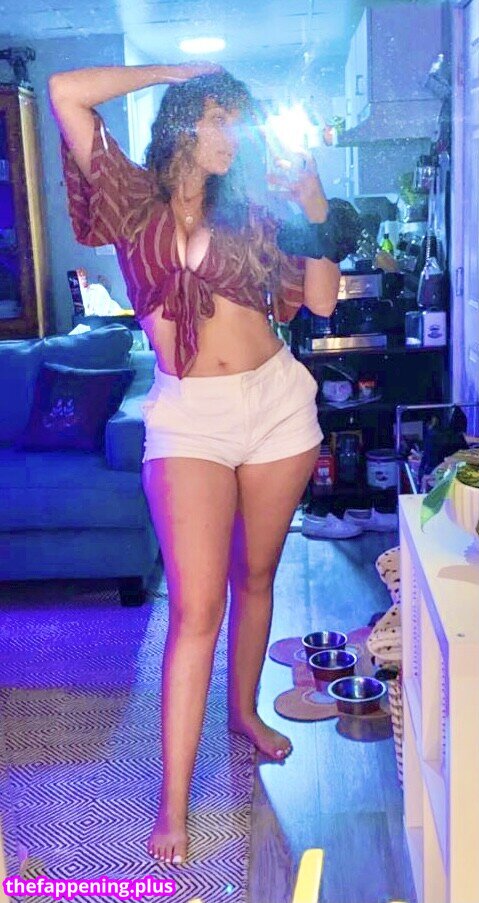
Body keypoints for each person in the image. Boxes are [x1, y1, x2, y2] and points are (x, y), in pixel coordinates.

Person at [49, 62, 352, 867]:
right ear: (183, 120)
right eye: (219, 118)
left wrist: (313, 206)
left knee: (255, 576)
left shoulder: (253, 207)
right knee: (193, 607)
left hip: (276, 406)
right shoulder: (129, 197)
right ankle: (173, 798)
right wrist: (178, 68)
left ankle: (244, 712)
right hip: (188, 417)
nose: (231, 137)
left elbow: (322, 301)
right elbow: (67, 91)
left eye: (238, 124)